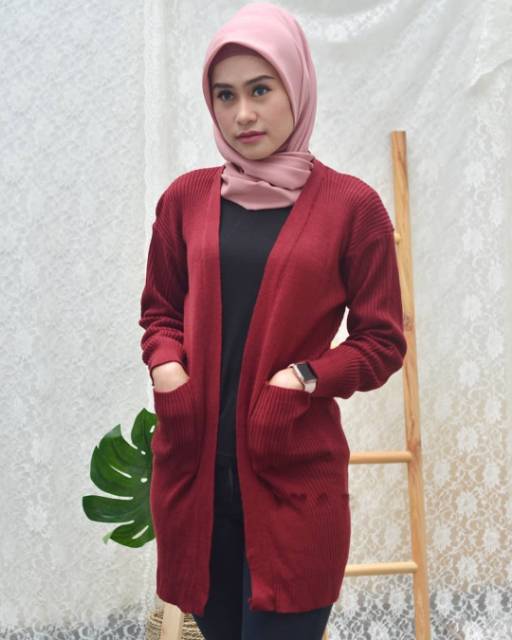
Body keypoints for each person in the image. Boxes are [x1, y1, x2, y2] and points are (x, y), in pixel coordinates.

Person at [139, 3, 407, 640]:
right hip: (195, 484)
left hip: (293, 485)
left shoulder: (353, 208)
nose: (243, 114)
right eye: (225, 95)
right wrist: (168, 367)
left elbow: (381, 341)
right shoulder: (184, 199)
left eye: (261, 89)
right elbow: (160, 311)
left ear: (297, 85)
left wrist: (305, 378)